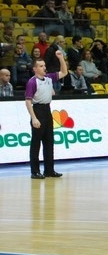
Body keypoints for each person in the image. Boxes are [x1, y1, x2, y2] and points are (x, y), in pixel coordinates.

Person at [25, 50, 68, 179]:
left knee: (49, 142)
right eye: (41, 66)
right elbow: (28, 101)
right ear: (35, 69)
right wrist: (34, 118)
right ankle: (35, 171)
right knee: (36, 143)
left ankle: (49, 170)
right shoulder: (32, 82)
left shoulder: (49, 78)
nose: (44, 68)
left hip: (47, 111)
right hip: (38, 110)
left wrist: (61, 58)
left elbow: (64, 72)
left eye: (44, 65)